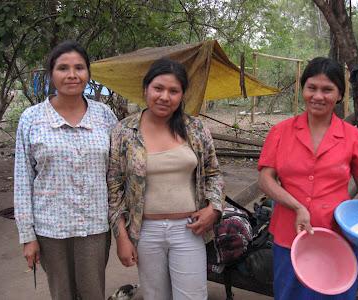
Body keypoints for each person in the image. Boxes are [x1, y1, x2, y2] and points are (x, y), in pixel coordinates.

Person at [257, 57, 358, 300]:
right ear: (303, 90)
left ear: (339, 94)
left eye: (327, 89)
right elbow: (266, 179)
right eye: (312, 88)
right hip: (291, 237)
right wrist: (296, 205)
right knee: (290, 295)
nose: (318, 96)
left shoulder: (354, 138)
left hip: (336, 238)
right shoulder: (281, 132)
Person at [107, 58, 224, 300]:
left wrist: (214, 208)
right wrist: (121, 237)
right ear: (145, 89)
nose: (164, 97)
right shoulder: (125, 131)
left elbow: (213, 173)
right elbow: (114, 187)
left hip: (189, 229)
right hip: (146, 231)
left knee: (192, 296)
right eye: (158, 88)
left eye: (173, 91)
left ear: (182, 95)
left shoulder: (196, 129)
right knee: (155, 296)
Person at [14, 40, 118, 300]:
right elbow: (22, 180)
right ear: (51, 74)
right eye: (63, 68)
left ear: (88, 74)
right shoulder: (32, 118)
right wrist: (28, 237)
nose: (72, 75)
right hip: (51, 230)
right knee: (62, 294)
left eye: (79, 68)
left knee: (93, 293)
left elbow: (118, 173)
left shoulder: (104, 116)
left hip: (94, 227)